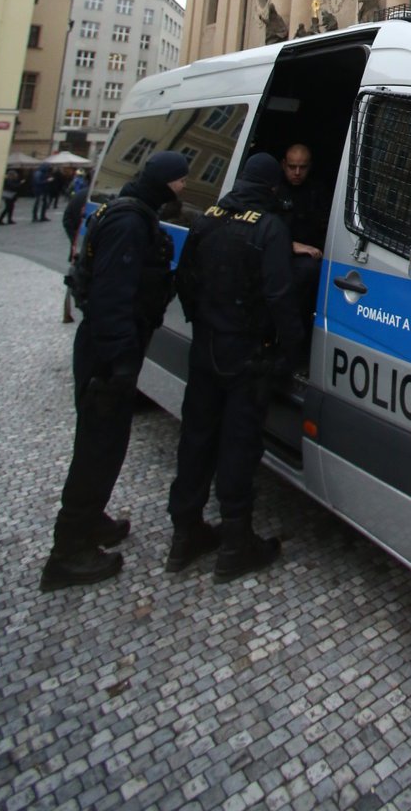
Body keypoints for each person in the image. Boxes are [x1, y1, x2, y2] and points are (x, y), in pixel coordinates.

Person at [39, 150, 189, 592]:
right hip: (106, 356)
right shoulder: (129, 222)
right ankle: (66, 553)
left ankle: (91, 521)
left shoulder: (133, 210)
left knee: (108, 444)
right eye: (181, 181)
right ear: (165, 183)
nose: (184, 188)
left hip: (110, 351)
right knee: (95, 450)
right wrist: (121, 362)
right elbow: (111, 300)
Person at [167, 153, 304, 581]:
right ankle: (235, 543)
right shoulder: (268, 228)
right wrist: (290, 354)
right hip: (245, 354)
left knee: (196, 438)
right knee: (238, 445)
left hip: (206, 346)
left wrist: (202, 322)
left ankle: (185, 533)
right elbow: (281, 298)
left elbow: (184, 280)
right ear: (270, 187)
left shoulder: (207, 220)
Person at [278, 141, 331, 325]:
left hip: (311, 256)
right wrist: (291, 245)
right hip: (278, 256)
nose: (297, 172)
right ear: (283, 164)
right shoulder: (274, 189)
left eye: (303, 167)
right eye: (292, 167)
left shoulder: (317, 192)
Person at [61, 177, 91, 324]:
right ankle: (69, 311)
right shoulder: (83, 196)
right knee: (75, 277)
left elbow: (66, 219)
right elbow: (67, 219)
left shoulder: (80, 194)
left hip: (78, 245)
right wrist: (76, 240)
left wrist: (74, 239)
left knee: (74, 276)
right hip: (81, 246)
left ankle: (69, 312)